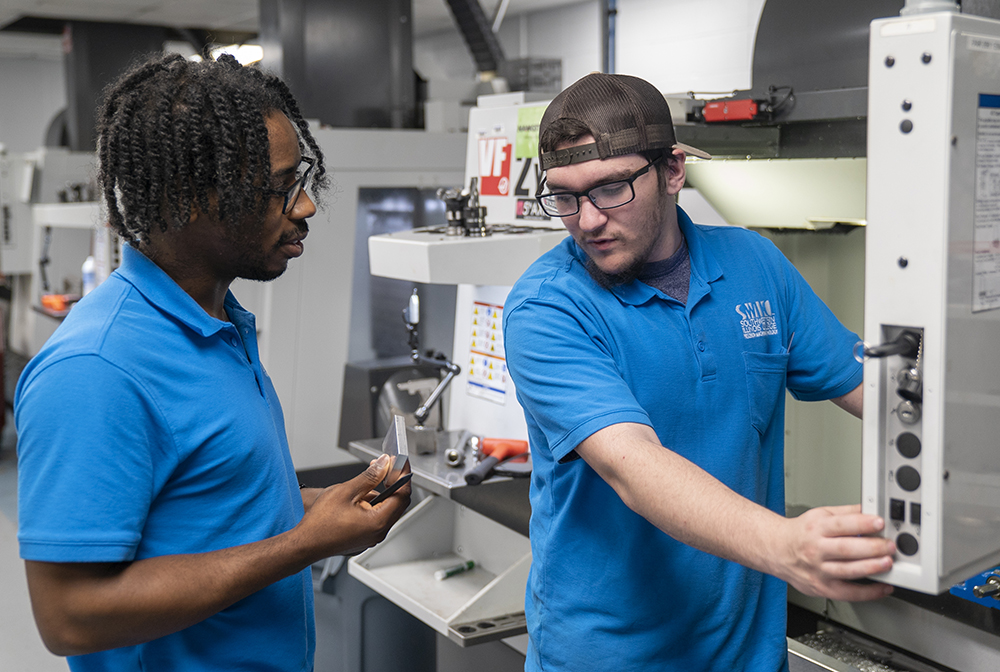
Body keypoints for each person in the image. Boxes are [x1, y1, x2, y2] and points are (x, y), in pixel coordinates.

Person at [15, 53, 410, 671]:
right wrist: (304, 544)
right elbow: (71, 615)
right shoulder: (97, 369)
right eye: (279, 189)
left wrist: (322, 506)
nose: (304, 207)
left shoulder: (222, 324)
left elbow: (206, 504)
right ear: (189, 197)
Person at [502, 73, 896, 672]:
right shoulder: (548, 309)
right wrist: (787, 545)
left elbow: (879, 389)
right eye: (563, 196)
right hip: (605, 659)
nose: (585, 220)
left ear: (673, 171)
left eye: (610, 189)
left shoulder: (755, 264)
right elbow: (636, 466)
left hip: (746, 657)